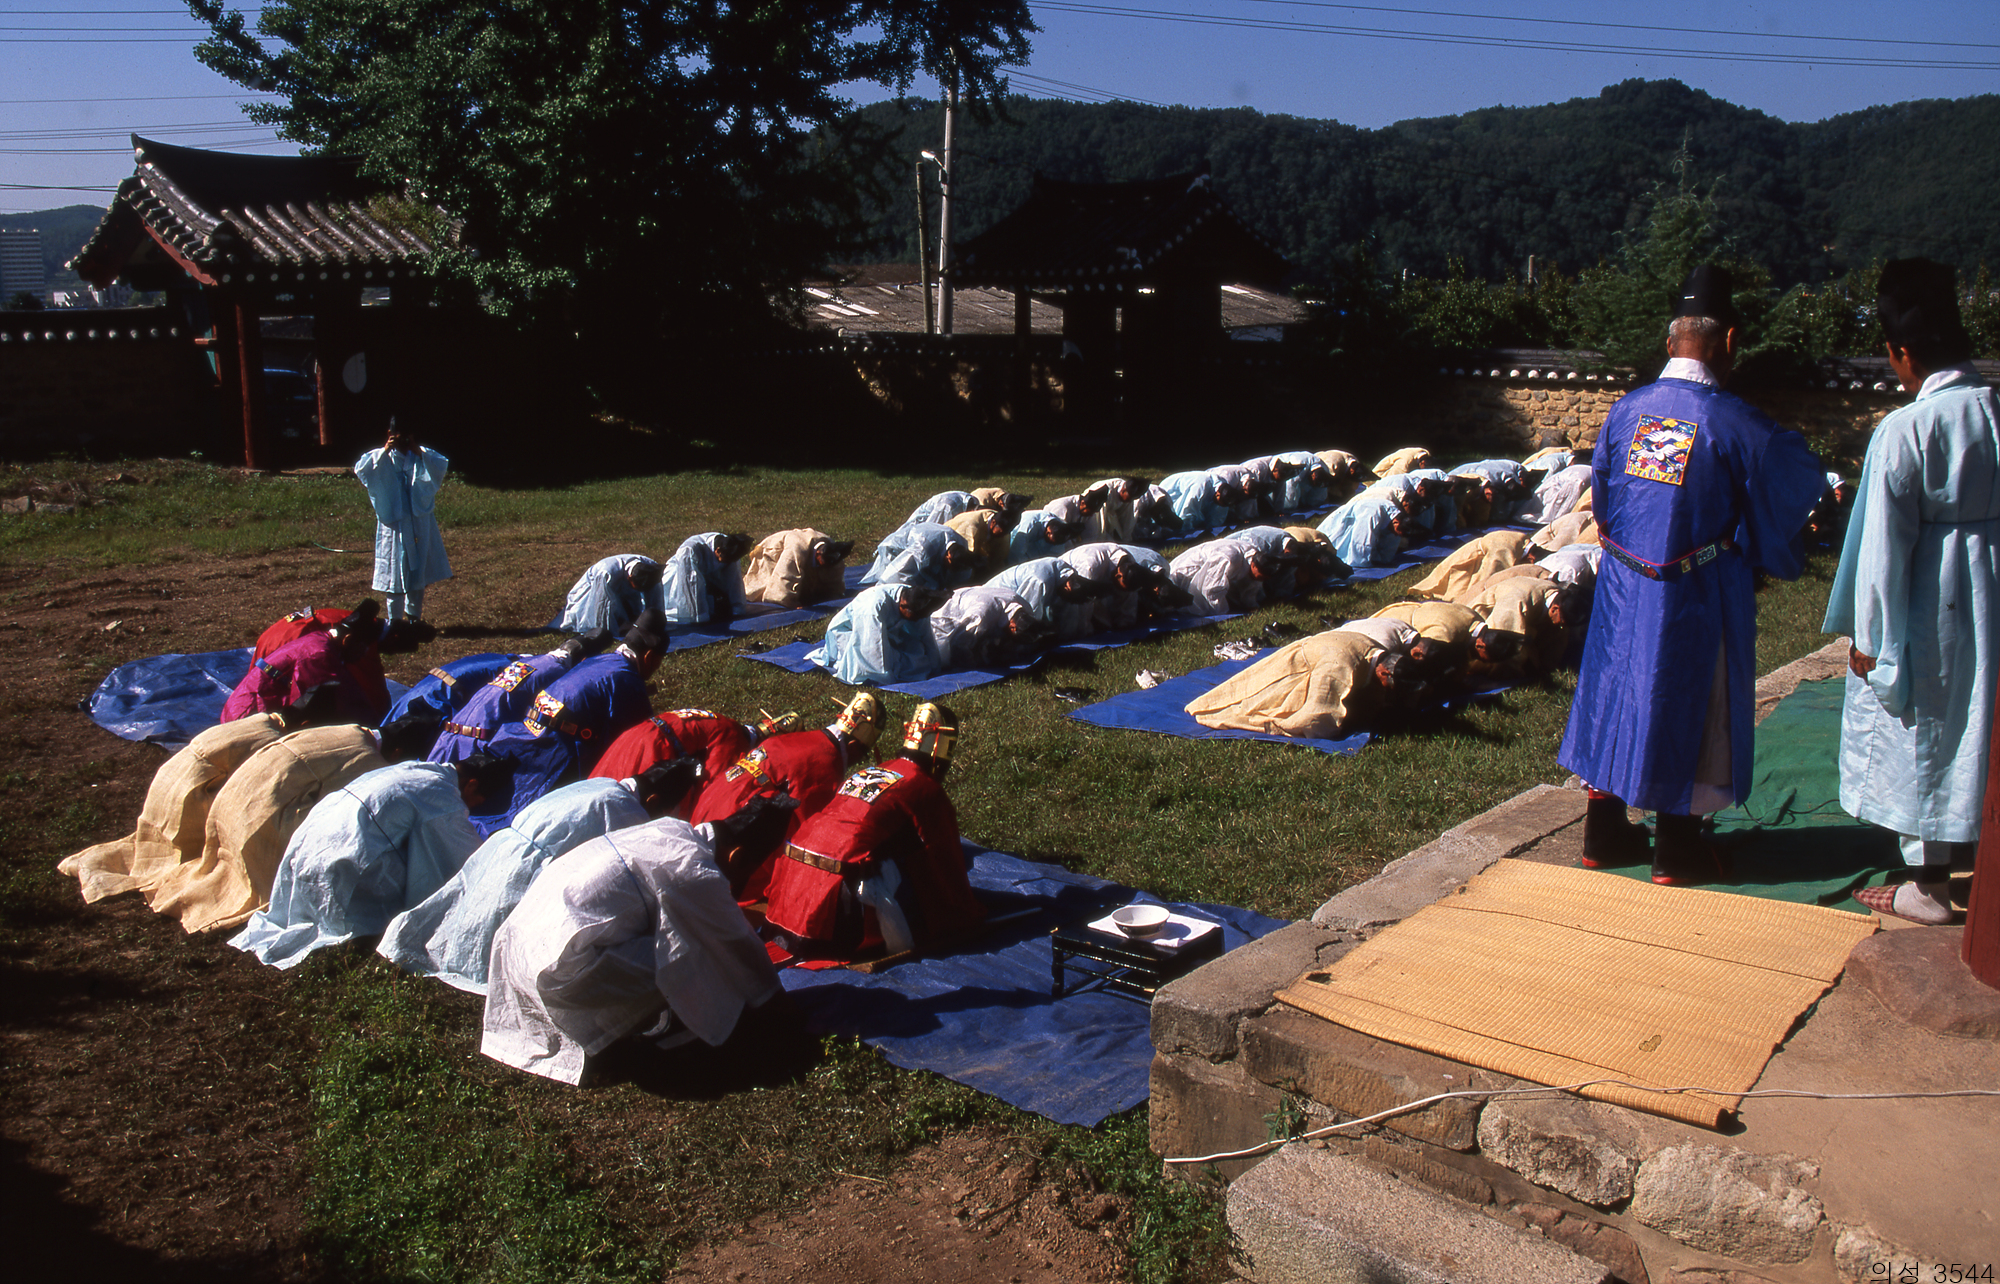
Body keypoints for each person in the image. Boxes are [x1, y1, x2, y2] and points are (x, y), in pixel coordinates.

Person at [1558, 265, 1824, 884]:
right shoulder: (1739, 425)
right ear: (1728, 341)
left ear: (1669, 338)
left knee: (1617, 690)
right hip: (1696, 591)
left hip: (1623, 587)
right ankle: (1678, 845)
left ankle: (1603, 830)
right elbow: (1796, 483)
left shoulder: (1626, 414)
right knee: (1696, 699)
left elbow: (1602, 500)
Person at [1824, 258, 2000, 924]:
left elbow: (1882, 554)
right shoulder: (1995, 412)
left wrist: (1871, 641)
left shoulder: (1906, 431)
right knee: (1981, 730)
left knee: (1926, 738)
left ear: (1902, 354)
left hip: (1932, 609)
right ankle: (1978, 873)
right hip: (1990, 597)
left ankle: (1933, 888)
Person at [479, 798, 794, 1084]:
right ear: (736, 855)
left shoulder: (670, 829)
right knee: (690, 951)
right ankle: (667, 1042)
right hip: (551, 971)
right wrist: (774, 1004)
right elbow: (735, 943)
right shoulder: (694, 867)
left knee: (672, 935)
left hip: (520, 945)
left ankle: (619, 1026)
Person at [378, 759, 700, 992]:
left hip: (499, 853)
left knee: (457, 909)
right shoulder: (624, 811)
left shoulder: (602, 785)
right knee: (486, 938)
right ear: (655, 801)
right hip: (524, 873)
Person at [146, 712, 444, 934]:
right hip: (255, 821)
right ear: (395, 752)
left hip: (229, 801)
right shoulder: (367, 762)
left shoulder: (351, 730)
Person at [229, 751, 512, 968]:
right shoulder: (442, 797)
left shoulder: (414, 769)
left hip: (304, 855)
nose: (470, 811)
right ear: (472, 785)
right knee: (429, 867)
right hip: (336, 871)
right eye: (476, 804)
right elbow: (458, 863)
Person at [764, 703, 985, 959]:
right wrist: (962, 913)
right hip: (836, 908)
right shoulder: (924, 787)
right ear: (942, 747)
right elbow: (943, 858)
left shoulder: (871, 770)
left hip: (790, 886)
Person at [59, 711, 292, 907]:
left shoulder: (259, 723)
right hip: (192, 790)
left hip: (168, 781)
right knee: (187, 851)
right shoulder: (278, 745)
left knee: (158, 843)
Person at [480, 612, 668, 829]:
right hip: (555, 750)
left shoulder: (599, 659)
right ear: (649, 657)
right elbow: (638, 740)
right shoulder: (627, 680)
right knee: (528, 816)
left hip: (524, 734)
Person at [688, 691, 885, 895]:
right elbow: (808, 842)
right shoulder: (826, 769)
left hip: (703, 819)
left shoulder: (794, 739)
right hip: (727, 855)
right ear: (853, 746)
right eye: (862, 755)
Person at [1185, 628, 1406, 739]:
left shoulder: (1378, 649)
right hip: (1294, 669)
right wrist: (1350, 721)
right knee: (1246, 701)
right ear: (1384, 671)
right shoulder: (1340, 668)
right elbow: (1315, 719)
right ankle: (1207, 709)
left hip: (1316, 653)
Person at [427, 635, 597, 765]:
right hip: (480, 738)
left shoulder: (531, 662)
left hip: (457, 727)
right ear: (582, 660)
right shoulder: (557, 675)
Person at [219, 599, 385, 724]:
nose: (361, 656)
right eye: (363, 649)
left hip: (259, 710)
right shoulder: (318, 655)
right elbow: (317, 707)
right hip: (247, 718)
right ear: (347, 640)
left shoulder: (322, 642)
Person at [353, 417, 451, 622]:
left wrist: (417, 451)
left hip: (419, 520)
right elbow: (363, 470)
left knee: (418, 570)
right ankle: (395, 620)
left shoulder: (420, 454)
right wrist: (385, 450)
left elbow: (440, 465)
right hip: (395, 524)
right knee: (394, 570)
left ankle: (414, 617)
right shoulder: (380, 456)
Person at [588, 706, 761, 800]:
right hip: (657, 746)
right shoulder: (734, 738)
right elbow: (711, 786)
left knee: (603, 787)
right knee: (633, 803)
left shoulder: (721, 720)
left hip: (637, 733)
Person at [810, 583, 949, 685]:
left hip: (887, 634)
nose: (918, 619)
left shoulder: (915, 600)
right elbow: (871, 647)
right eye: (916, 616)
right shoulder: (874, 606)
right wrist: (886, 678)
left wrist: (935, 665)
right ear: (903, 605)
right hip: (851, 633)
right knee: (896, 662)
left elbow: (925, 637)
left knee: (918, 656)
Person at [930, 585, 1048, 669]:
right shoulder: (982, 615)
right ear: (1012, 627)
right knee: (939, 658)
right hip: (944, 622)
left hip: (975, 604)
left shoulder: (1024, 606)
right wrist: (980, 662)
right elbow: (958, 645)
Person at [1408, 529, 1535, 601]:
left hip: (1480, 558)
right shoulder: (1504, 549)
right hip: (1471, 559)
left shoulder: (1522, 541)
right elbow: (1489, 575)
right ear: (1531, 557)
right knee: (1456, 594)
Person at [742, 529, 854, 608]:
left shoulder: (834, 552)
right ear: (819, 553)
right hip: (772, 554)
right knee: (758, 591)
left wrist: (834, 595)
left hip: (804, 552)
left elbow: (835, 579)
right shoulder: (796, 549)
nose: (828, 565)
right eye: (824, 562)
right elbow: (784, 576)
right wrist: (791, 603)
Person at [556, 554, 665, 635]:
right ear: (630, 577)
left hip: (622, 592)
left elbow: (655, 599)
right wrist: (611, 631)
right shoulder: (606, 574)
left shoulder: (651, 569)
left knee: (634, 616)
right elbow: (602, 608)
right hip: (590, 593)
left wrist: (655, 621)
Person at [661, 532, 752, 626]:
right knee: (694, 605)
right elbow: (691, 584)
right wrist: (700, 616)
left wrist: (737, 608)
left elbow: (734, 579)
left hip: (707, 575)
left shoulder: (730, 546)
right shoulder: (690, 550)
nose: (728, 563)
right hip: (681, 575)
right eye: (726, 560)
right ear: (718, 551)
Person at [1318, 489, 1422, 569]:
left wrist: (1382, 560)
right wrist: (1363, 563)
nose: (1396, 535)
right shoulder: (1372, 514)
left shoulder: (1396, 519)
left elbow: (1388, 551)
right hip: (1339, 527)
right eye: (1397, 532)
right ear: (1396, 522)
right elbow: (1360, 543)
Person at [1169, 538, 1271, 615]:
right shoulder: (1229, 559)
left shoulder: (1255, 554)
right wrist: (1223, 612)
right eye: (1260, 577)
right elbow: (1211, 589)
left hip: (1208, 567)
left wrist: (1251, 604)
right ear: (1253, 565)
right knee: (1200, 606)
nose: (1260, 580)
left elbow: (1252, 583)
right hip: (1183, 574)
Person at [862, 521, 977, 589]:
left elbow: (960, 579)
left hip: (930, 553)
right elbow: (897, 573)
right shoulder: (923, 551)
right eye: (953, 567)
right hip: (895, 551)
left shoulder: (962, 545)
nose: (953, 570)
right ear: (948, 556)